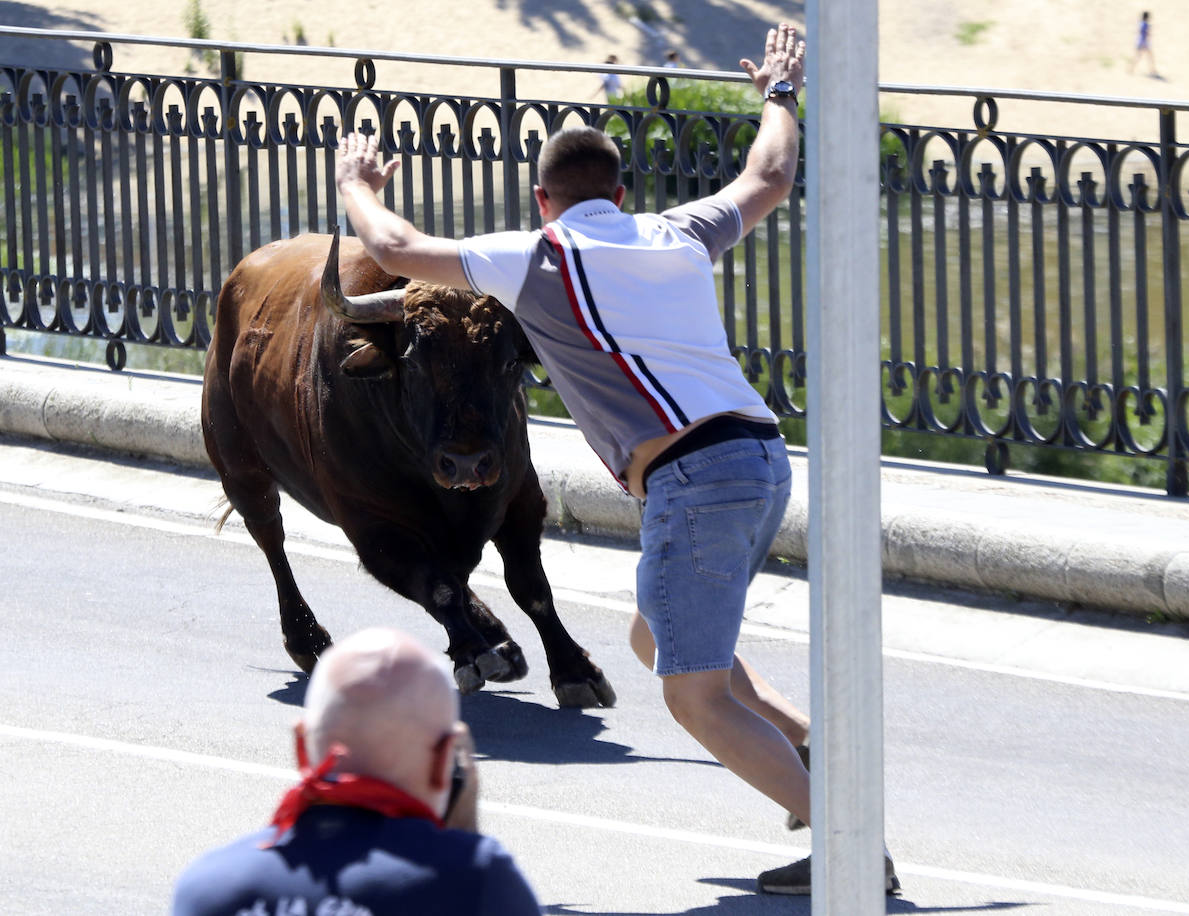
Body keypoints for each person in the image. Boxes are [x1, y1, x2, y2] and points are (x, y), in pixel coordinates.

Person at [329, 21, 897, 897]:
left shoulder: (540, 256)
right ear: (622, 193)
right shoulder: (674, 233)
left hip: (697, 478)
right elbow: (770, 175)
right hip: (759, 457)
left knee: (690, 695)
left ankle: (849, 845)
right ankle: (805, 744)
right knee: (653, 634)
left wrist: (354, 185)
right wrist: (781, 93)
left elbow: (397, 250)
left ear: (541, 200)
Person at [171, 628, 541, 915]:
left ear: (301, 747)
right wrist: (464, 843)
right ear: (448, 757)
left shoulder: (206, 888)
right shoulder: (477, 883)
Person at [1128, 11, 1158, 77]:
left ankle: (1131, 68)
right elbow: (1146, 33)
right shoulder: (1146, 24)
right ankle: (1152, 70)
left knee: (1139, 56)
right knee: (1149, 56)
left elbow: (1139, 32)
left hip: (1140, 41)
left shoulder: (1140, 23)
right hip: (1144, 42)